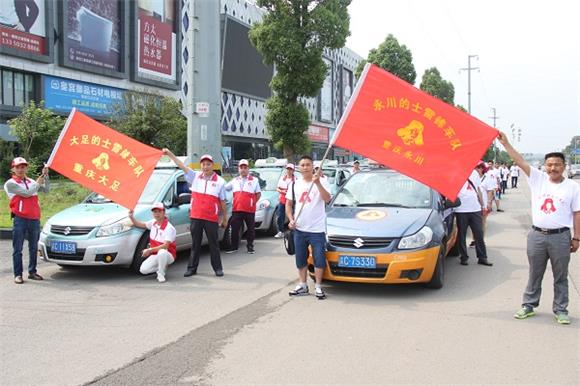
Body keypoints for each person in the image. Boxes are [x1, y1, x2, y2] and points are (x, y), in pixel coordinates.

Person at [498, 132, 580, 325]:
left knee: (561, 275)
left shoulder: (572, 187)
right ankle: (529, 305)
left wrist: (577, 238)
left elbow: (577, 213)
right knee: (535, 272)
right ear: (545, 166)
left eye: (557, 164)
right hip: (537, 236)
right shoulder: (538, 179)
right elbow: (518, 160)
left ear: (564, 166)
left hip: (560, 237)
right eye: (550, 164)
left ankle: (561, 309)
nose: (553, 168)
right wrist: (506, 143)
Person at [163, 149, 228, 277]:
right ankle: (192, 268)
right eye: (203, 164)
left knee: (214, 244)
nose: (205, 167)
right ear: (201, 166)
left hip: (211, 218)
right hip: (196, 216)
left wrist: (224, 218)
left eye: (208, 164)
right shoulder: (195, 176)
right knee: (195, 244)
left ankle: (218, 269)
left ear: (212, 165)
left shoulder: (220, 181)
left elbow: (223, 202)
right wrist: (170, 154)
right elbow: (182, 166)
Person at [285, 155, 331, 300]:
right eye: (302, 165)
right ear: (299, 168)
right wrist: (291, 220)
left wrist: (317, 183)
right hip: (299, 228)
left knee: (319, 258)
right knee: (300, 258)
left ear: (313, 166)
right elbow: (288, 204)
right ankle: (302, 284)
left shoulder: (322, 181)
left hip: (316, 230)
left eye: (308, 165)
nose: (305, 167)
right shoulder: (294, 184)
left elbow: (327, 199)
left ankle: (318, 286)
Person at [4, 157, 49, 284]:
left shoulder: (31, 181)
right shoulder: (10, 183)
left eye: (23, 166)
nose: (20, 169)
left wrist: (46, 176)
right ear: (13, 169)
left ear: (26, 168)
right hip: (20, 218)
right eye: (18, 167)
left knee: (33, 247)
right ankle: (18, 274)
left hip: (34, 218)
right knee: (17, 248)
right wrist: (38, 182)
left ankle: (32, 272)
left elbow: (46, 190)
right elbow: (27, 193)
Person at [454, 163, 493, 267]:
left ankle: (482, 257)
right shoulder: (454, 173)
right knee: (461, 235)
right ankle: (464, 257)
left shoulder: (474, 174)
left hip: (475, 208)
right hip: (461, 209)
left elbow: (478, 190)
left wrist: (483, 205)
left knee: (479, 233)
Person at [128, 203, 176, 283]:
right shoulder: (153, 223)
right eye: (154, 212)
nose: (156, 214)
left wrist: (149, 250)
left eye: (159, 211)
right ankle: (163, 266)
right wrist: (131, 217)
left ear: (164, 212)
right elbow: (140, 224)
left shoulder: (169, 228)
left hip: (168, 255)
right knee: (143, 270)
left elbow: (165, 246)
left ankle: (161, 274)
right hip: (155, 254)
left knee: (162, 252)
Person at [224, 159, 261, 254]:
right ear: (238, 169)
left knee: (250, 229)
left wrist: (252, 203)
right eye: (241, 168)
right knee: (234, 228)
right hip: (237, 208)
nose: (243, 169)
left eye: (245, 167)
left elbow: (258, 194)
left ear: (248, 169)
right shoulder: (234, 180)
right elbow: (224, 188)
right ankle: (234, 247)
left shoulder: (254, 180)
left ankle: (250, 247)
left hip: (249, 209)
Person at [274, 163, 296, 239]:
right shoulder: (282, 179)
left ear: (293, 170)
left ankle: (293, 230)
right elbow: (277, 188)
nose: (289, 171)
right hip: (282, 200)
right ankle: (281, 231)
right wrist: (282, 191)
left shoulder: (295, 180)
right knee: (280, 216)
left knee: (293, 215)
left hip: (292, 200)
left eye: (290, 169)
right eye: (288, 169)